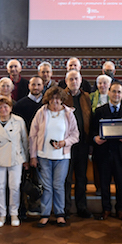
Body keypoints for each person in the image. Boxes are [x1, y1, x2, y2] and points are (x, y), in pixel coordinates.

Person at [29, 86, 80, 227]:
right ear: (48, 99)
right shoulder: (41, 112)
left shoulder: (69, 113)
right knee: (47, 187)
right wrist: (33, 156)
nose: (55, 101)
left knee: (58, 186)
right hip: (43, 156)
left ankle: (59, 214)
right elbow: (32, 136)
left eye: (57, 98)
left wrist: (65, 142)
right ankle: (45, 214)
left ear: (62, 99)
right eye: (52, 98)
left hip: (62, 157)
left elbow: (76, 135)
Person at [92, 82, 122, 221]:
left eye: (119, 92)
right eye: (114, 91)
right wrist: (95, 138)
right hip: (103, 153)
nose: (116, 94)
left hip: (121, 154)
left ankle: (120, 209)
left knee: (120, 183)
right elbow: (92, 130)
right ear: (109, 93)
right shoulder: (99, 111)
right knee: (104, 184)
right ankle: (106, 209)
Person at [0, 97, 29, 228]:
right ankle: (1, 214)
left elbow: (25, 141)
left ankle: (14, 213)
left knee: (15, 186)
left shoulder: (19, 121)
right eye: (0, 107)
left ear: (11, 108)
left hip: (15, 158)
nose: (3, 109)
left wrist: (26, 159)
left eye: (6, 106)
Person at [62, 70, 93, 219]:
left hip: (83, 144)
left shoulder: (86, 97)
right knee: (66, 178)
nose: (74, 81)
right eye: (71, 79)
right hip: (67, 144)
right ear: (66, 81)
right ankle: (65, 207)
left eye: (76, 79)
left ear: (81, 81)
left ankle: (82, 207)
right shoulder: (61, 96)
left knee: (82, 177)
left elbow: (90, 118)